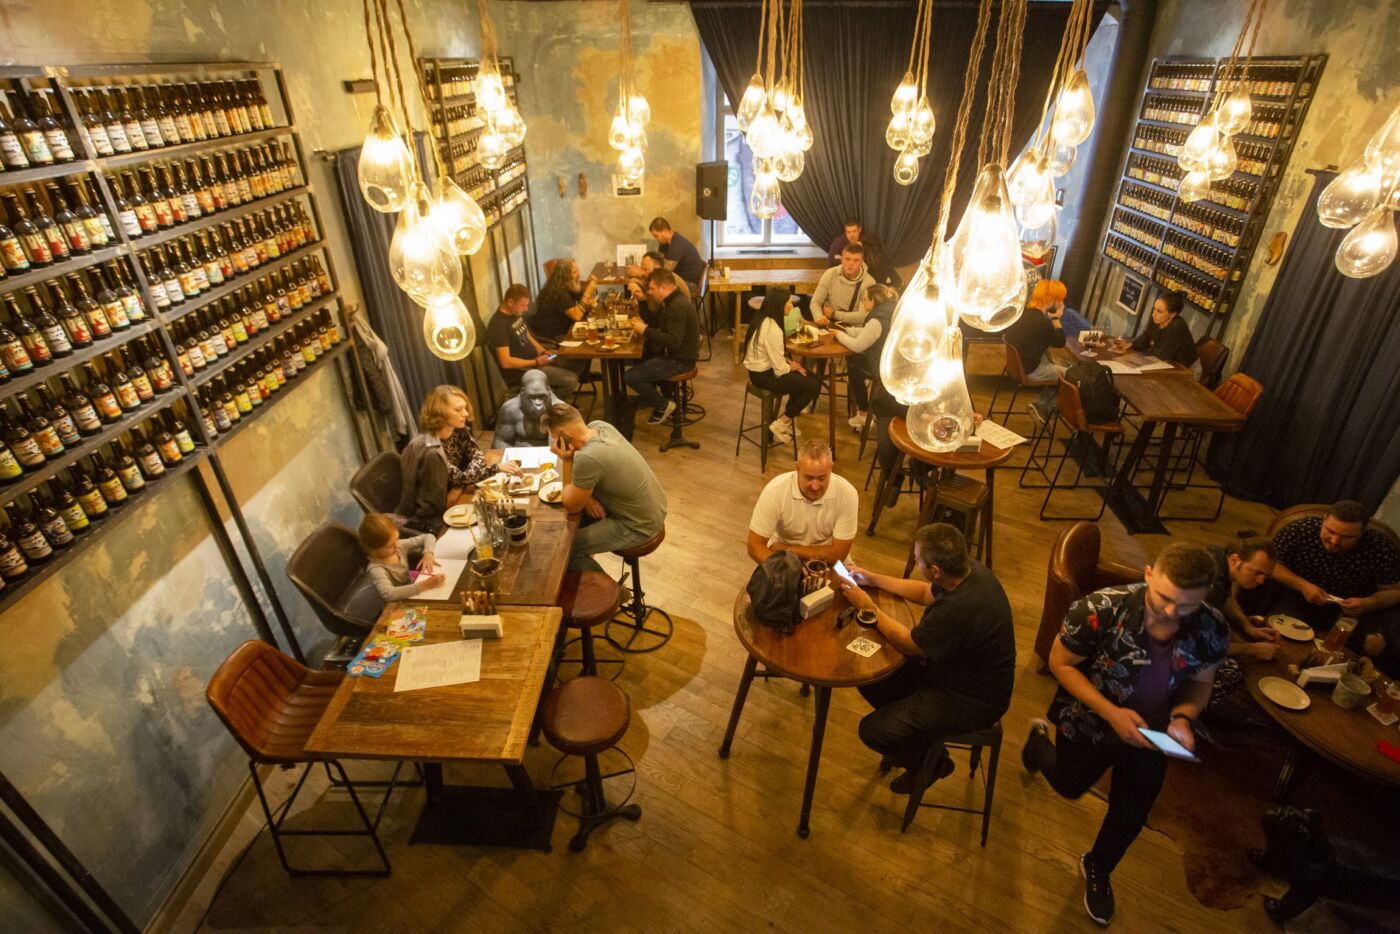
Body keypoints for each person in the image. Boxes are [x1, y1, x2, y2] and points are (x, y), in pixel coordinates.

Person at [1021, 543, 1228, 926]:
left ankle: (1098, 866)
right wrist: (1111, 713)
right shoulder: (1098, 608)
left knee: (1131, 813)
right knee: (1069, 785)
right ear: (1148, 573)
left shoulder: (1212, 626)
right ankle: (1037, 744)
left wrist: (1183, 717)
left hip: (1153, 736)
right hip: (1088, 722)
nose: (1171, 613)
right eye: (1164, 598)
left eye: (1186, 606)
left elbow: (1201, 683)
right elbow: (1060, 664)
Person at [835, 523, 1015, 795]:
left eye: (918, 559)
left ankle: (932, 764)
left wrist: (867, 606)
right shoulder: (968, 572)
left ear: (935, 570)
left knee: (873, 731)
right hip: (953, 671)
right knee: (871, 677)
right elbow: (924, 592)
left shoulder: (958, 609)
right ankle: (920, 739)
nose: (915, 561)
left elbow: (909, 644)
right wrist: (872, 579)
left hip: (972, 699)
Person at [1264, 500, 1400, 670]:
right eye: (1330, 531)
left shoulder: (1380, 547)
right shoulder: (1299, 530)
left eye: (1347, 537)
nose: (1335, 541)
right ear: (1324, 520)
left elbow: (1394, 591)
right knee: (1282, 636)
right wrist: (1302, 585)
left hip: (1352, 611)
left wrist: (1368, 603)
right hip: (1299, 597)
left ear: (1362, 533)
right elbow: (1270, 565)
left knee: (1374, 646)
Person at [545, 402, 668, 572]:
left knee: (565, 548)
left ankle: (610, 588)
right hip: (655, 508)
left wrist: (566, 461)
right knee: (576, 524)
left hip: (639, 526)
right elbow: (595, 472)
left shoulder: (588, 458)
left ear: (563, 436)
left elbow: (571, 506)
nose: (554, 443)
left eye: (554, 438)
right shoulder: (601, 426)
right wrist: (588, 498)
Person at [398, 386, 518, 532]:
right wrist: (495, 468)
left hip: (458, 495)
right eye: (458, 410)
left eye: (465, 408)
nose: (466, 413)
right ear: (440, 413)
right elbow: (461, 478)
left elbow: (476, 455)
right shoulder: (431, 451)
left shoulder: (457, 430)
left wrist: (458, 486)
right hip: (434, 519)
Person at [746, 440, 857, 564]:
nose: (815, 486)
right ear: (797, 468)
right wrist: (786, 571)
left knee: (850, 576)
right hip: (785, 558)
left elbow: (838, 554)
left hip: (824, 558)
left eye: (821, 478)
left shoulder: (847, 494)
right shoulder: (775, 491)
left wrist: (788, 549)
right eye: (809, 478)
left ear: (831, 468)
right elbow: (754, 546)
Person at [742, 287, 821, 444]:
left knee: (809, 377)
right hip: (764, 376)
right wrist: (793, 367)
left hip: (759, 371)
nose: (792, 306)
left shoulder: (762, 319)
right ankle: (782, 422)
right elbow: (779, 370)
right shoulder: (773, 329)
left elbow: (774, 357)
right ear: (780, 305)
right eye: (789, 303)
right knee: (813, 385)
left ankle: (787, 420)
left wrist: (791, 364)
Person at [624, 268, 700, 425]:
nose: (650, 292)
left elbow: (673, 341)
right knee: (640, 359)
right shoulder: (672, 300)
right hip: (674, 355)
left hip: (680, 360)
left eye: (652, 289)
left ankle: (664, 405)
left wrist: (645, 330)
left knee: (630, 377)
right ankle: (660, 397)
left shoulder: (676, 306)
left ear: (663, 287)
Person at [485, 283, 581, 398]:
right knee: (570, 380)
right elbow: (505, 362)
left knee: (570, 357)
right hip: (524, 370)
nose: (526, 309)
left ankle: (553, 390)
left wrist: (543, 351)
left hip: (536, 359)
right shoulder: (498, 325)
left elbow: (528, 336)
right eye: (523, 305)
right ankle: (547, 406)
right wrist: (536, 362)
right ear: (510, 302)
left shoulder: (515, 313)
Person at [832, 283, 899, 430]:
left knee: (853, 363)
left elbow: (857, 346)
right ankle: (863, 413)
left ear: (873, 301)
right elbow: (869, 332)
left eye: (864, 300)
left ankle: (863, 413)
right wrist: (848, 330)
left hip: (880, 367)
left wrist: (838, 334)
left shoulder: (876, 320)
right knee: (855, 362)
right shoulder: (889, 310)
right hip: (891, 363)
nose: (863, 303)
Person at [1003, 278, 1069, 423]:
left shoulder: (1025, 313)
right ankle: (1042, 406)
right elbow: (1060, 342)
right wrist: (1056, 319)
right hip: (1031, 369)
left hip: (1019, 364)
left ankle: (1041, 405)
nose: (1063, 305)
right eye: (1060, 301)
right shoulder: (1042, 323)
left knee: (1066, 365)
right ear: (1051, 300)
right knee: (1072, 376)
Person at [358, 512, 444, 601]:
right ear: (374, 549)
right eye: (390, 546)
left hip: (412, 592)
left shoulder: (398, 547)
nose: (397, 545)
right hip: (397, 603)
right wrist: (424, 585)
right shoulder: (376, 569)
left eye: (397, 539)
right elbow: (389, 594)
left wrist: (428, 553)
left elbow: (428, 537)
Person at [1112, 290, 1198, 368]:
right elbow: (1145, 338)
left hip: (1182, 366)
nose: (1154, 314)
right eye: (1154, 309)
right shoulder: (1156, 319)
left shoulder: (1177, 326)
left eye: (1159, 311)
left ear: (1172, 314)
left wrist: (1151, 346)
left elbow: (1162, 355)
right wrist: (1131, 344)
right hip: (1165, 361)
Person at [530, 258, 598, 340]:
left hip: (564, 329)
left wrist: (587, 286)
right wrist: (588, 292)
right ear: (565, 275)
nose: (578, 274)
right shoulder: (559, 291)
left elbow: (580, 299)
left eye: (577, 270)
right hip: (552, 336)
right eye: (575, 272)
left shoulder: (564, 283)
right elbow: (577, 316)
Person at [810, 243, 876, 327]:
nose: (851, 263)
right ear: (841, 259)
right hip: (829, 324)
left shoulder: (869, 282)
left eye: (856, 260)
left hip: (853, 329)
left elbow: (863, 316)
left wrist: (835, 314)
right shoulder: (830, 274)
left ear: (862, 262)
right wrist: (819, 317)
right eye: (847, 259)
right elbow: (815, 302)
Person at [491, 369, 560, 449]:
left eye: (541, 396)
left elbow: (563, 447)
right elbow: (501, 441)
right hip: (517, 452)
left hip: (548, 453)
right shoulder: (510, 409)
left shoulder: (559, 410)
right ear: (522, 392)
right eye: (533, 397)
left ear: (549, 391)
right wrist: (515, 456)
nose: (538, 403)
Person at [646, 216, 705, 291]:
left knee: (655, 287)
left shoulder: (677, 244)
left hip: (690, 283)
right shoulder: (664, 244)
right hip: (680, 279)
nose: (656, 239)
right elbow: (659, 262)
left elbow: (666, 271)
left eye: (656, 236)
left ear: (664, 231)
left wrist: (646, 273)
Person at [827, 218, 890, 283]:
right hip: (846, 275)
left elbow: (880, 252)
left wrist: (863, 245)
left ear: (860, 229)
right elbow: (831, 264)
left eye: (854, 231)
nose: (851, 235)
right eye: (848, 232)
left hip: (868, 272)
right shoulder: (838, 242)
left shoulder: (868, 239)